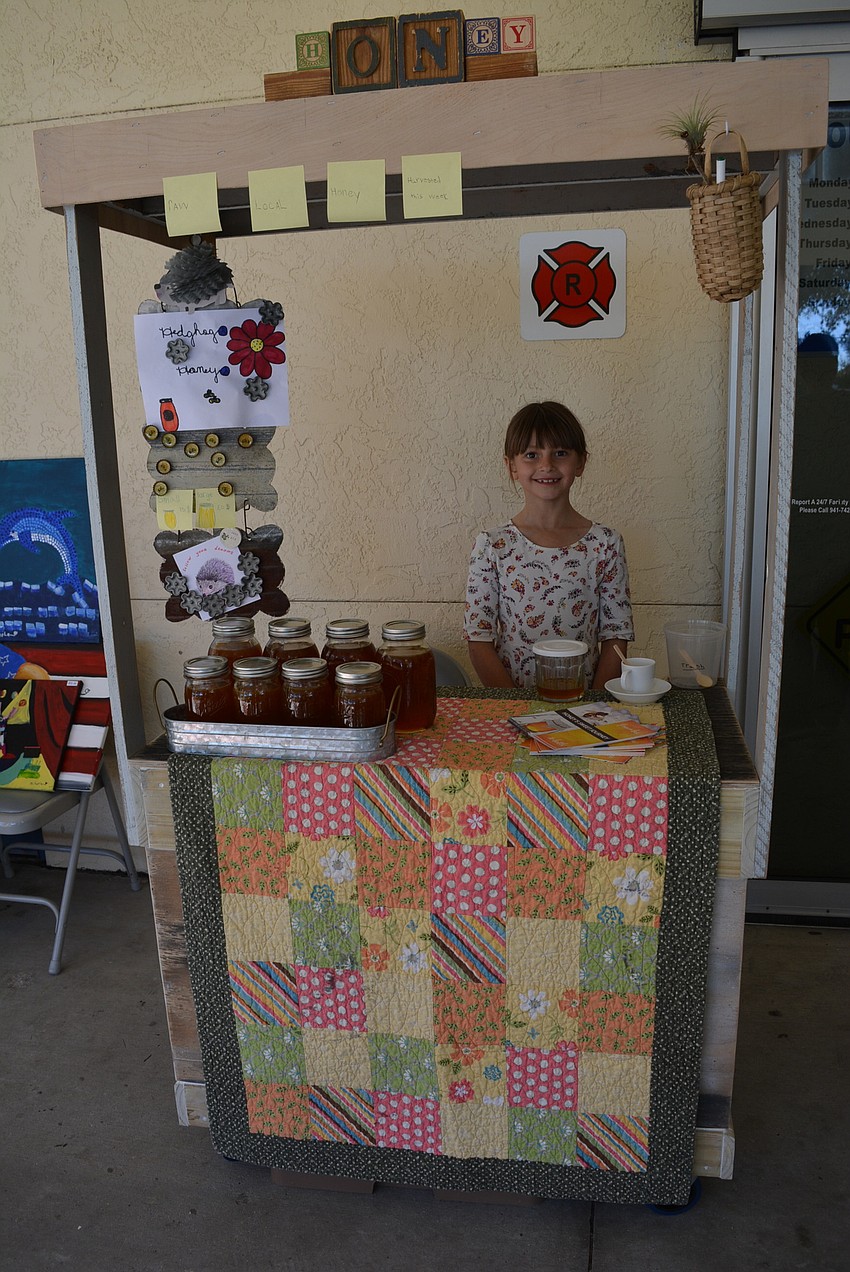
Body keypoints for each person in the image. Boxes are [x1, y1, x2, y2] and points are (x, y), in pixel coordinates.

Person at [464, 401, 634, 690]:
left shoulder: (605, 545)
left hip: (583, 709)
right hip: (513, 709)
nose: (546, 465)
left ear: (580, 462)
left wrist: (593, 706)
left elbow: (616, 635)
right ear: (511, 466)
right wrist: (516, 706)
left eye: (560, 453)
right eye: (531, 454)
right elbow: (478, 637)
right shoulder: (493, 546)